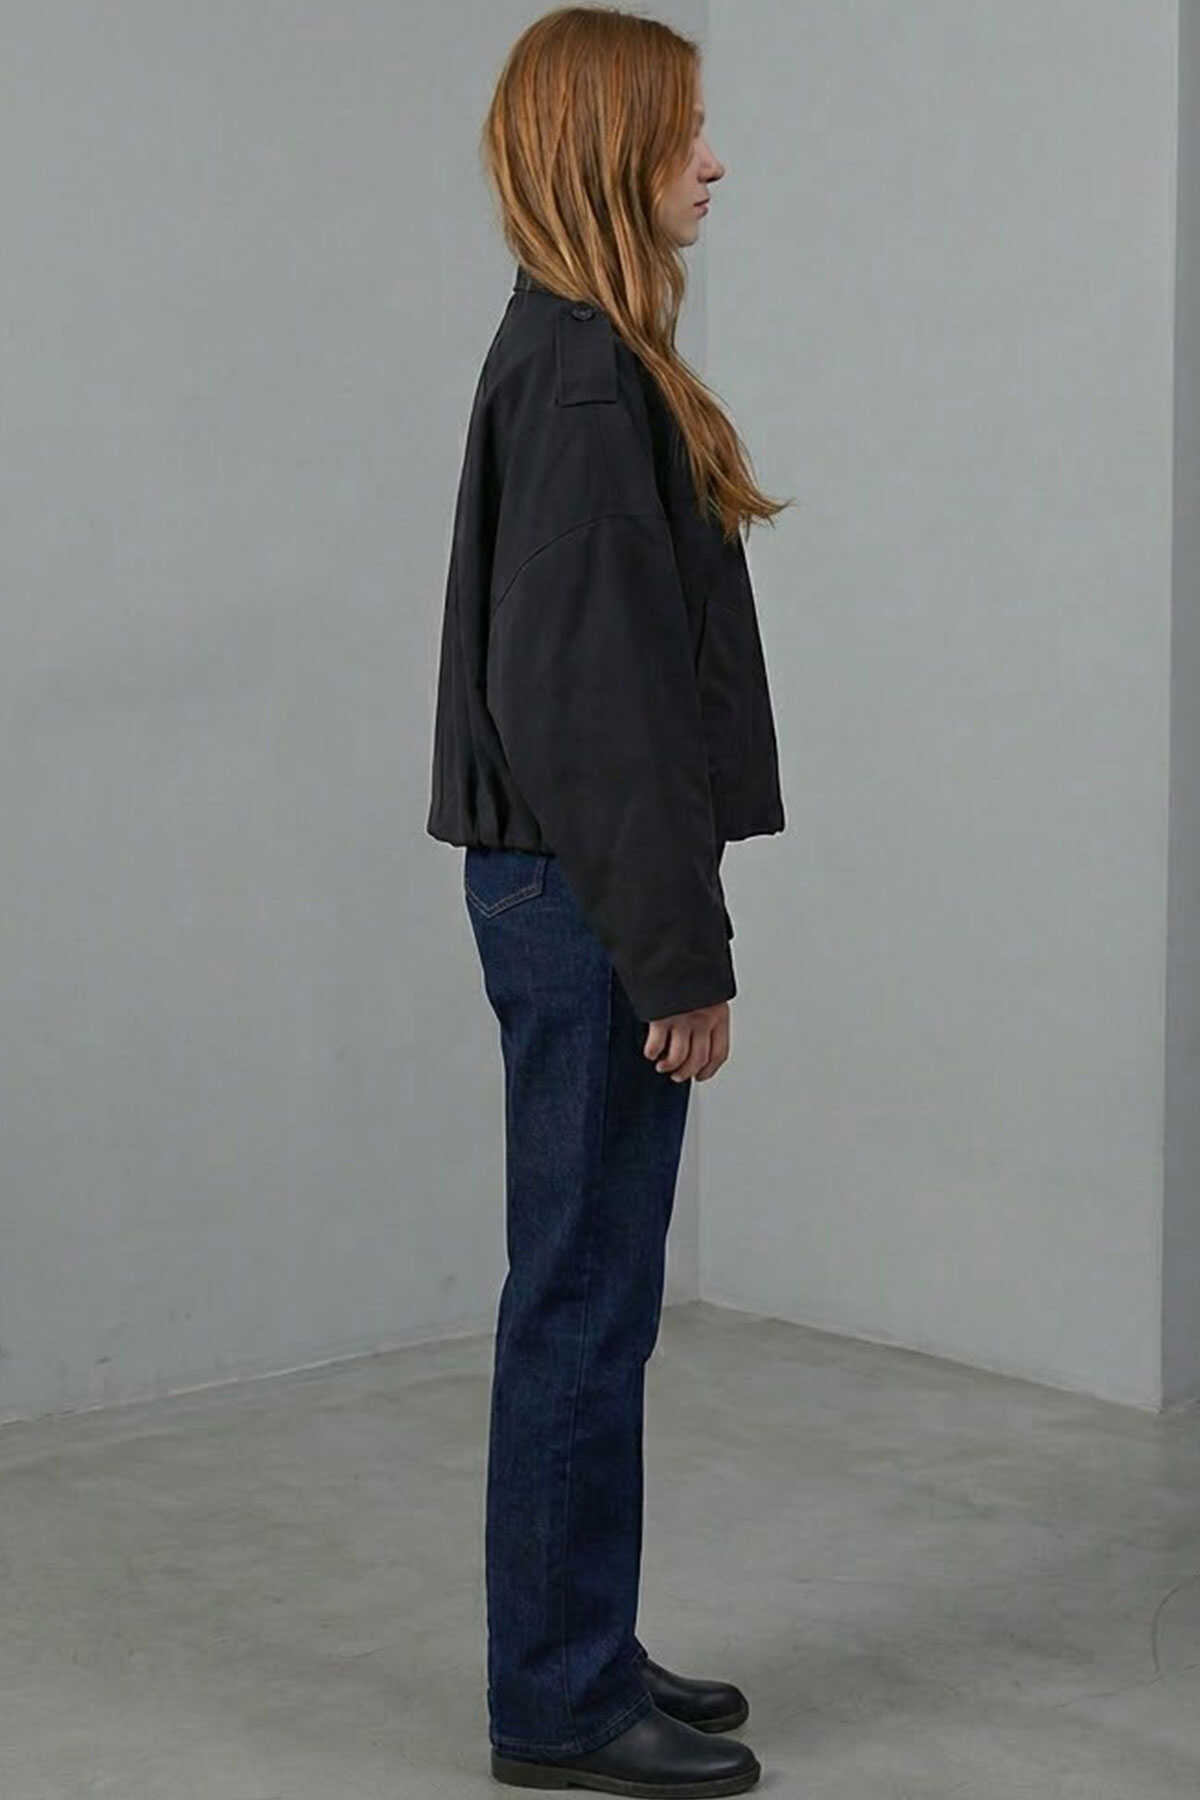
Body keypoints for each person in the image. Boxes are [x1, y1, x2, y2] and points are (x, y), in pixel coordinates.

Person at [425, 7, 788, 1792]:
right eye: (681, 132)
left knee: (593, 1291)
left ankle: (582, 1644)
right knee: (581, 1297)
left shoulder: (586, 353)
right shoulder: (579, 376)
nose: (712, 161)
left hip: (575, 889)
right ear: (604, 152)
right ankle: (560, 1703)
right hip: (584, 898)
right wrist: (676, 955)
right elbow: (589, 704)